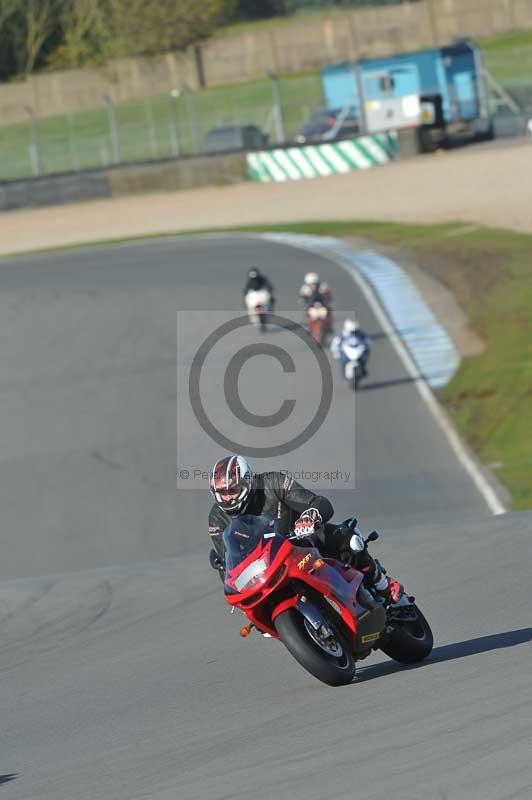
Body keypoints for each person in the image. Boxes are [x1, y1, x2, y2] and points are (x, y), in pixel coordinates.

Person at [208, 454, 401, 602]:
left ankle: (383, 584)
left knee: (349, 539)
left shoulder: (273, 482)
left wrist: (310, 516)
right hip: (267, 568)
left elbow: (319, 502)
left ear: (247, 482)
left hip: (302, 542)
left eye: (232, 490)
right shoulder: (217, 518)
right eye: (222, 493)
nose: (228, 498)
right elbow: (228, 564)